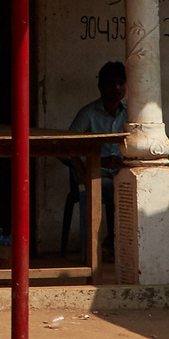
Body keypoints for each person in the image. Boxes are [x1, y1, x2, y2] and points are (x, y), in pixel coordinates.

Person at [61, 60, 127, 252]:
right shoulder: (88, 114)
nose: (117, 88)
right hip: (92, 174)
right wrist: (99, 161)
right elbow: (65, 150)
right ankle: (108, 243)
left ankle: (119, 242)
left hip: (120, 172)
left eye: (121, 82)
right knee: (114, 187)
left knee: (134, 185)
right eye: (111, 83)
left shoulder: (130, 114)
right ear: (100, 86)